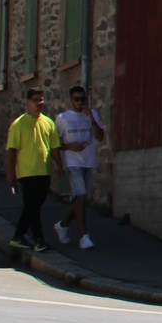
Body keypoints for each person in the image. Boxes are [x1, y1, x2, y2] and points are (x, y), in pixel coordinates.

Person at [4, 87, 62, 252]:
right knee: (32, 204)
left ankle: (18, 236)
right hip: (26, 171)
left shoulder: (48, 122)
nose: (39, 103)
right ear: (28, 102)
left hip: (44, 170)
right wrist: (10, 174)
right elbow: (12, 150)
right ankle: (39, 239)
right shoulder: (19, 124)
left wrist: (60, 165)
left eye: (41, 99)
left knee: (34, 205)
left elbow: (55, 147)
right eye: (35, 100)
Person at [52, 85, 107, 250]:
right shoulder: (63, 118)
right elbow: (55, 144)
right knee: (81, 195)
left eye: (83, 99)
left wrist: (91, 118)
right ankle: (84, 236)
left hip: (88, 161)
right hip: (73, 162)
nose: (80, 102)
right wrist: (70, 147)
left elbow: (100, 136)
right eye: (77, 99)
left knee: (80, 199)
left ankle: (63, 224)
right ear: (71, 100)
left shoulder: (92, 115)